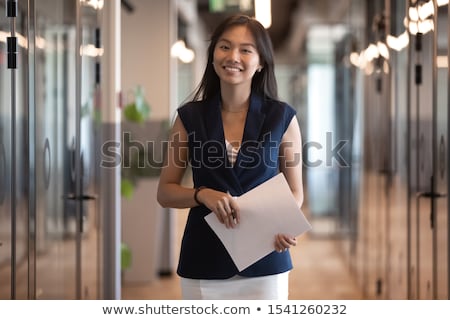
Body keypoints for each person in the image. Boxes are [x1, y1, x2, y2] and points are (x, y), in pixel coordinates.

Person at [157, 14, 303, 300]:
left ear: (260, 62)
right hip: (205, 259)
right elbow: (165, 192)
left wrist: (284, 223)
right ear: (213, 56)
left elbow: (295, 190)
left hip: (265, 258)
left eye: (246, 50)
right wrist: (202, 194)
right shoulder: (189, 117)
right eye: (225, 46)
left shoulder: (281, 117)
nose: (233, 56)